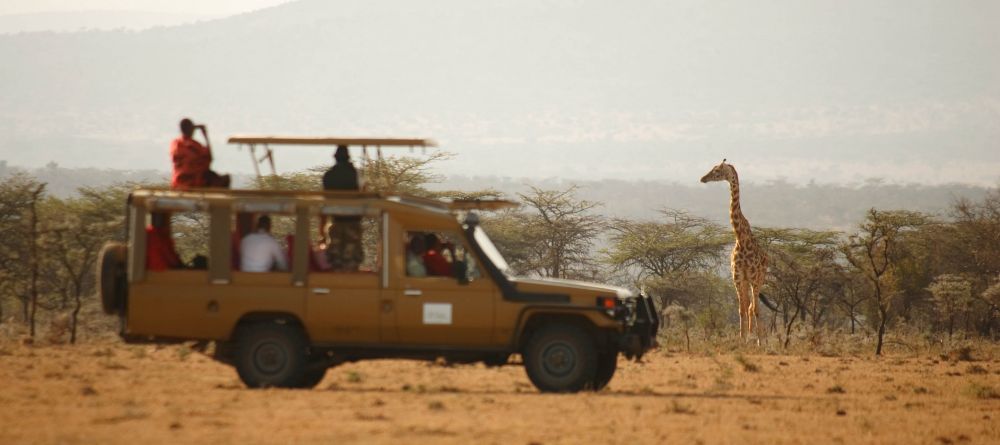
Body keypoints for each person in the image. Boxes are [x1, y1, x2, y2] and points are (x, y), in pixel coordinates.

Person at [322, 145, 364, 271]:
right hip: (353, 221)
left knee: (335, 260)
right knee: (352, 259)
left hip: (336, 221)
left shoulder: (328, 175)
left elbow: (325, 200)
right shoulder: (356, 174)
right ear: (348, 157)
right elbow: (363, 193)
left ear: (335, 157)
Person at [170, 118, 230, 189]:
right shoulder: (193, 145)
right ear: (191, 129)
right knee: (224, 178)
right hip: (194, 182)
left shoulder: (175, 144)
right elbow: (209, 159)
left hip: (177, 181)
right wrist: (205, 136)